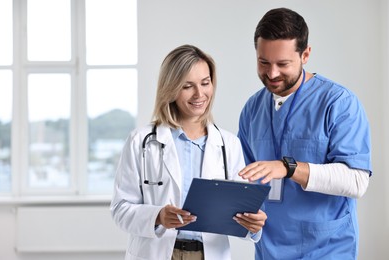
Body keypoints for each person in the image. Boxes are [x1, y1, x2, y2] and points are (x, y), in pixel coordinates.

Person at [237, 7, 372, 260]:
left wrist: (288, 168)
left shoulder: (339, 103)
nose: (272, 73)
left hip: (327, 249)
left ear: (306, 54)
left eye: (283, 64)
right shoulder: (252, 110)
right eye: (263, 62)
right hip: (268, 249)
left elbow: (357, 181)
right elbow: (245, 181)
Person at [110, 44, 267, 260]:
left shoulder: (228, 144)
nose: (199, 94)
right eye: (187, 86)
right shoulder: (142, 141)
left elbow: (239, 212)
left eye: (205, 83)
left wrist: (253, 225)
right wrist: (158, 216)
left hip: (208, 253)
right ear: (171, 88)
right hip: (157, 252)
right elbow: (120, 209)